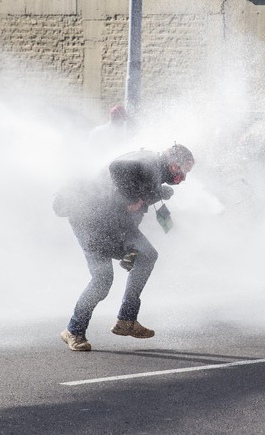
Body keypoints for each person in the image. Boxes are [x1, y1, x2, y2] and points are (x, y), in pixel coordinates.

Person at [55, 144, 195, 351]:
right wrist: (130, 198)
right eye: (183, 170)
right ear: (173, 164)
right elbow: (117, 167)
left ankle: (126, 320)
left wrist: (130, 248)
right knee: (102, 280)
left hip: (114, 225)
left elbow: (131, 209)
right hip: (90, 224)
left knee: (147, 255)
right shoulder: (150, 163)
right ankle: (73, 331)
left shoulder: (153, 172)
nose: (183, 178)